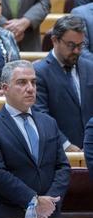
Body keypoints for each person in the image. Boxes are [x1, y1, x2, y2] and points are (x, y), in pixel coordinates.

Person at [0, 60, 70, 218]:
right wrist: (34, 200)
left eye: (33, 82)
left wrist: (50, 201)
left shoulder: (49, 122)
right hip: (11, 215)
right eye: (22, 82)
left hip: (51, 214)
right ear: (5, 88)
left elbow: (62, 166)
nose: (30, 88)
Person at [33, 15, 93, 152]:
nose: (77, 51)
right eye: (71, 45)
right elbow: (41, 115)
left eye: (81, 45)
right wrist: (66, 145)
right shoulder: (39, 72)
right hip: (58, 153)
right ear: (55, 40)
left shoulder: (90, 67)